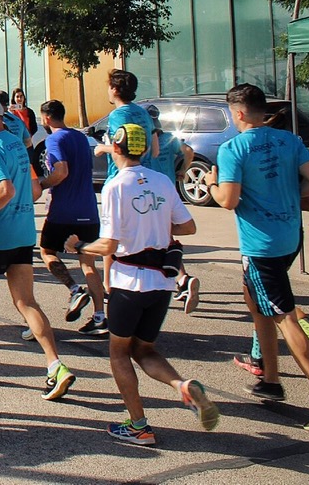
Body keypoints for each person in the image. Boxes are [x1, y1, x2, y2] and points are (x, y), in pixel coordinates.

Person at [68, 123, 217, 445]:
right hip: (162, 283)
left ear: (116, 148)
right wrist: (156, 227)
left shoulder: (115, 186)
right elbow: (188, 226)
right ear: (144, 149)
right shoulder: (162, 181)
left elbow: (108, 245)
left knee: (119, 353)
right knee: (144, 349)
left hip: (129, 280)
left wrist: (79, 247)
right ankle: (182, 386)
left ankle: (138, 425)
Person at [204, 83, 309, 432]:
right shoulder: (290, 140)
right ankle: (271, 380)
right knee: (256, 302)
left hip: (261, 244)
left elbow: (229, 200)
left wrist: (212, 185)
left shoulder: (233, 148)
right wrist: (291, 191)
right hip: (291, 237)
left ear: (239, 113)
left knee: (284, 315)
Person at [0, 95, 76, 400]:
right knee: (26, 302)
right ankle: (55, 365)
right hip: (22, 232)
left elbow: (4, 190)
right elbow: (31, 188)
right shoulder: (14, 143)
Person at [35, 99, 107, 337]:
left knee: (47, 251)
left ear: (46, 118)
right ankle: (100, 316)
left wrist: (42, 185)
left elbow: (61, 170)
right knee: (88, 263)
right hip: (88, 210)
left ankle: (74, 289)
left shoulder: (54, 139)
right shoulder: (79, 137)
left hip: (64, 211)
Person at [146, 104, 201, 313]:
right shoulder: (169, 136)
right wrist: (182, 171)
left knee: (163, 238)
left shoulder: (147, 138)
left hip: (152, 192)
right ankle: (181, 280)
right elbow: (188, 151)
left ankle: (183, 280)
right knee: (165, 236)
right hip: (169, 189)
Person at [93, 70, 156, 179]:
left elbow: (125, 147)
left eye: (109, 87)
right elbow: (155, 149)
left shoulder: (117, 115)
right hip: (146, 174)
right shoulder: (143, 112)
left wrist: (102, 148)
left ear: (114, 89)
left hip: (122, 175)